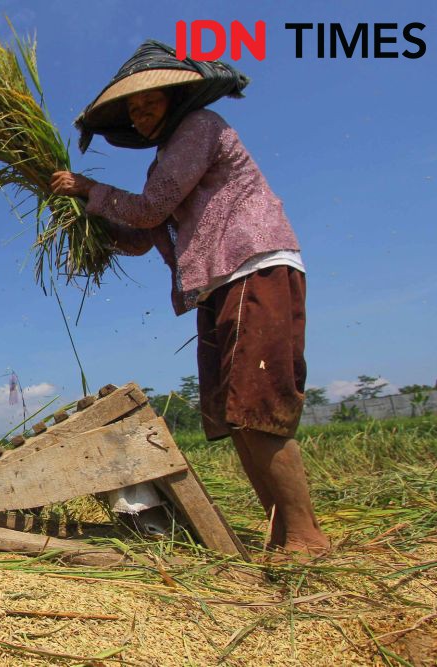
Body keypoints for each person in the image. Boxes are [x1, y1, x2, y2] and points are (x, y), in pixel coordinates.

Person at [50, 41, 329, 556]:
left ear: (176, 97)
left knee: (257, 407)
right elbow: (139, 235)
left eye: (149, 101)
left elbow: (150, 209)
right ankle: (280, 534)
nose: (141, 112)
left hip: (252, 266)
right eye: (133, 108)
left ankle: (306, 537)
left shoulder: (199, 127)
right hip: (215, 285)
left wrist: (88, 186)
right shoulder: (165, 160)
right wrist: (83, 218)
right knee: (232, 414)